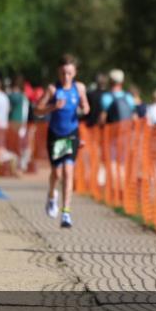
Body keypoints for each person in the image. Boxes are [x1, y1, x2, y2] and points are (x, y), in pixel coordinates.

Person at [38, 54, 90, 228]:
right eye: (62, 73)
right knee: (57, 173)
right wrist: (52, 106)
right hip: (55, 135)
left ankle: (66, 212)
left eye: (69, 73)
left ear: (74, 73)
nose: (65, 77)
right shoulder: (53, 89)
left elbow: (86, 107)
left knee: (68, 171)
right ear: (58, 72)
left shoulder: (79, 88)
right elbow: (37, 110)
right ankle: (52, 195)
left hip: (71, 134)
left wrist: (84, 108)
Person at [8, 77, 31, 171]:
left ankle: (19, 165)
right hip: (21, 123)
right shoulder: (24, 97)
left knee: (18, 145)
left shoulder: (17, 97)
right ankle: (20, 164)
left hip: (17, 122)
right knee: (21, 145)